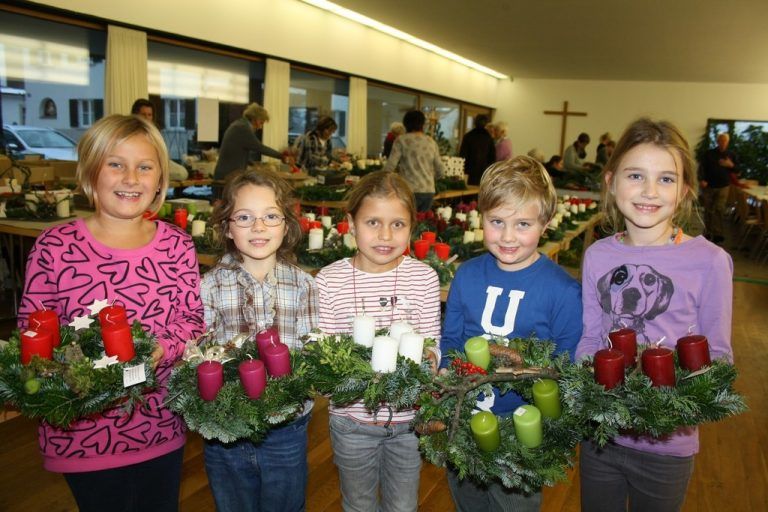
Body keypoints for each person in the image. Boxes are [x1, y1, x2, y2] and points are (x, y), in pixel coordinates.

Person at [17, 114, 205, 511]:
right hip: (82, 430)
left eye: (145, 166)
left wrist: (163, 350)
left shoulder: (177, 246)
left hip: (158, 423)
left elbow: (191, 322)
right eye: (115, 163)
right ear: (89, 172)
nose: (131, 178)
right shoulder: (55, 246)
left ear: (159, 180)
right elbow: (32, 330)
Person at [576, 118, 733, 512]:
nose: (649, 191)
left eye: (666, 179)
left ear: (684, 191)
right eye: (635, 175)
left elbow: (719, 356)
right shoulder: (599, 255)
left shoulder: (709, 262)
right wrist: (584, 393)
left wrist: (674, 405)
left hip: (668, 445)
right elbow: (592, 338)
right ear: (611, 181)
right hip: (602, 437)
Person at [441, 155, 582, 512]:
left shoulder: (562, 290)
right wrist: (444, 374)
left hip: (523, 431)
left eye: (522, 224)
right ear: (482, 217)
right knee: (467, 500)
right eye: (496, 221)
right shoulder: (467, 275)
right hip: (465, 419)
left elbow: (565, 362)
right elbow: (452, 341)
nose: (507, 236)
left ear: (545, 223)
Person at [315, 171, 442, 512]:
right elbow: (325, 359)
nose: (386, 235)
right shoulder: (329, 281)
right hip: (351, 421)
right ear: (351, 224)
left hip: (408, 422)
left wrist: (429, 358)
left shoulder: (424, 278)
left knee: (403, 506)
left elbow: (432, 343)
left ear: (412, 228)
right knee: (358, 504)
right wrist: (344, 381)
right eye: (373, 222)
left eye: (398, 224)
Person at [200, 167, 318, 512]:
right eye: (244, 217)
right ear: (226, 227)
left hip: (287, 426)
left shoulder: (303, 285)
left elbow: (310, 354)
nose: (259, 227)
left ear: (286, 225)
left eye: (270, 216)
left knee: (286, 503)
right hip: (225, 428)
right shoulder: (209, 285)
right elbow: (200, 356)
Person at [383, 110, 446, 212]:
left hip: (409, 190)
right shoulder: (431, 141)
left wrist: (379, 179)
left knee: (408, 223)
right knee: (424, 224)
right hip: (428, 191)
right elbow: (441, 170)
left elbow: (390, 166)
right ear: (422, 124)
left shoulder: (401, 140)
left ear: (406, 124)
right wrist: (433, 179)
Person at [213, 103, 287, 183]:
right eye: (261, 123)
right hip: (226, 176)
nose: (260, 127)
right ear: (255, 118)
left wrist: (256, 164)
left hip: (226, 174)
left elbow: (239, 153)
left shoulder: (240, 124)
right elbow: (260, 147)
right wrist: (282, 156)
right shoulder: (243, 128)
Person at [130, 98, 188, 181]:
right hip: (139, 163)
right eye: (143, 114)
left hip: (157, 162)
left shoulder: (155, 132)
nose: (147, 118)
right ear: (135, 115)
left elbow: (162, 153)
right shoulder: (129, 131)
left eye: (149, 115)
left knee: (182, 173)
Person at [699, 132, 737, 244]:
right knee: (708, 210)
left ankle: (718, 234)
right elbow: (701, 168)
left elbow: (738, 170)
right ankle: (707, 232)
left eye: (725, 141)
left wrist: (731, 165)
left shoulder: (731, 155)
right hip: (709, 186)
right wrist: (702, 179)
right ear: (717, 141)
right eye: (721, 140)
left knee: (719, 210)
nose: (723, 143)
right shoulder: (709, 154)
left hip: (723, 186)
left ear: (728, 142)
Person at [459, 114, 496, 186]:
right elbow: (492, 157)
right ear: (486, 124)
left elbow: (462, 155)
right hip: (484, 172)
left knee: (469, 194)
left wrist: (463, 170)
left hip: (469, 173)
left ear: (474, 123)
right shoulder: (488, 138)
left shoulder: (468, 136)